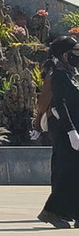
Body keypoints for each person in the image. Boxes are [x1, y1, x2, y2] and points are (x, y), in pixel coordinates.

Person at [37, 36, 79, 228]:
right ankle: (51, 211)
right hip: (65, 131)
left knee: (73, 172)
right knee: (68, 173)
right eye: (75, 52)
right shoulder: (59, 75)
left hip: (73, 128)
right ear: (65, 55)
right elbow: (58, 104)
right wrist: (71, 131)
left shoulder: (70, 74)